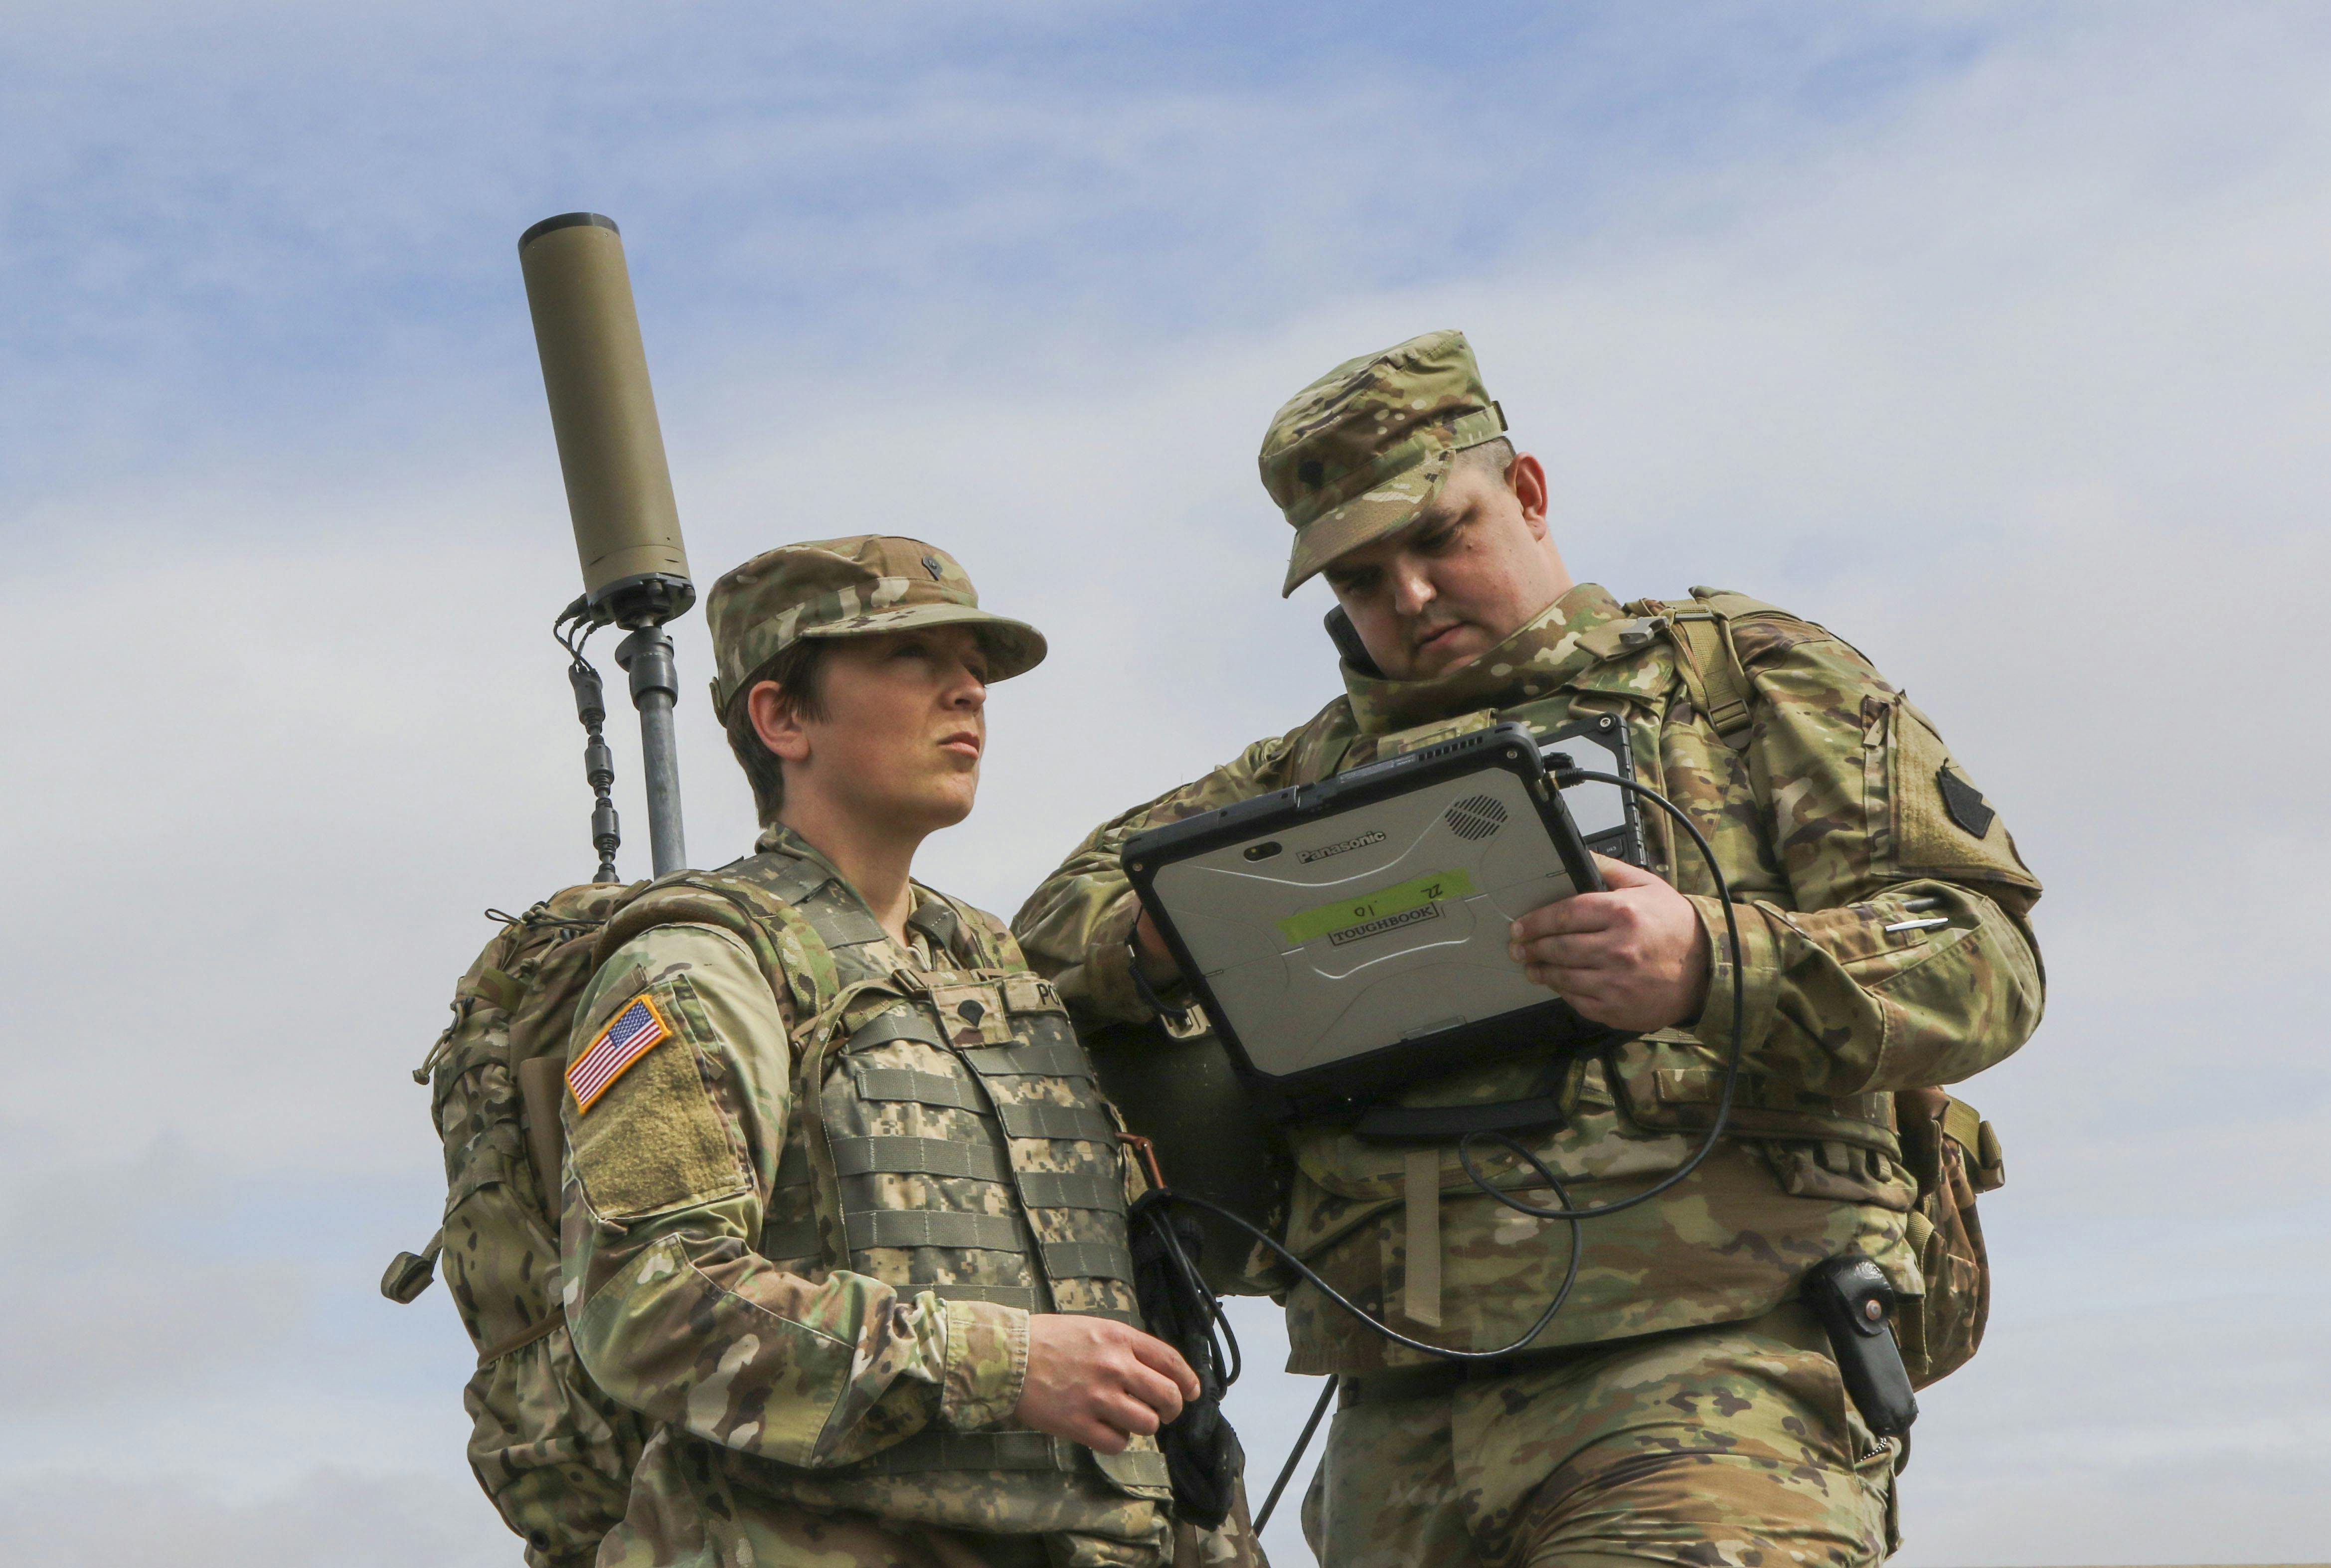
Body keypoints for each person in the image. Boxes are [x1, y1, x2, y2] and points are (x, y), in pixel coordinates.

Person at [1011, 331, 2046, 1567]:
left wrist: (1713, 961)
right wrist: (1155, 938)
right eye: (1357, 577)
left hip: (1706, 1378)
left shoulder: (1746, 683)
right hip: (1399, 1414)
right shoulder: (1296, 777)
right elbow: (1026, 949)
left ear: (1531, 493)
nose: (1409, 596)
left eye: (1440, 536)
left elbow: (1980, 956)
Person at [560, 536, 1257, 1568]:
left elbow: (1137, 1314)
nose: (968, 689)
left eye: (972, 664)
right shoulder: (704, 966)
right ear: (782, 716)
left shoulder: (997, 973)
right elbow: (647, 1300)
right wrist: (1000, 1362)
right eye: (911, 661)